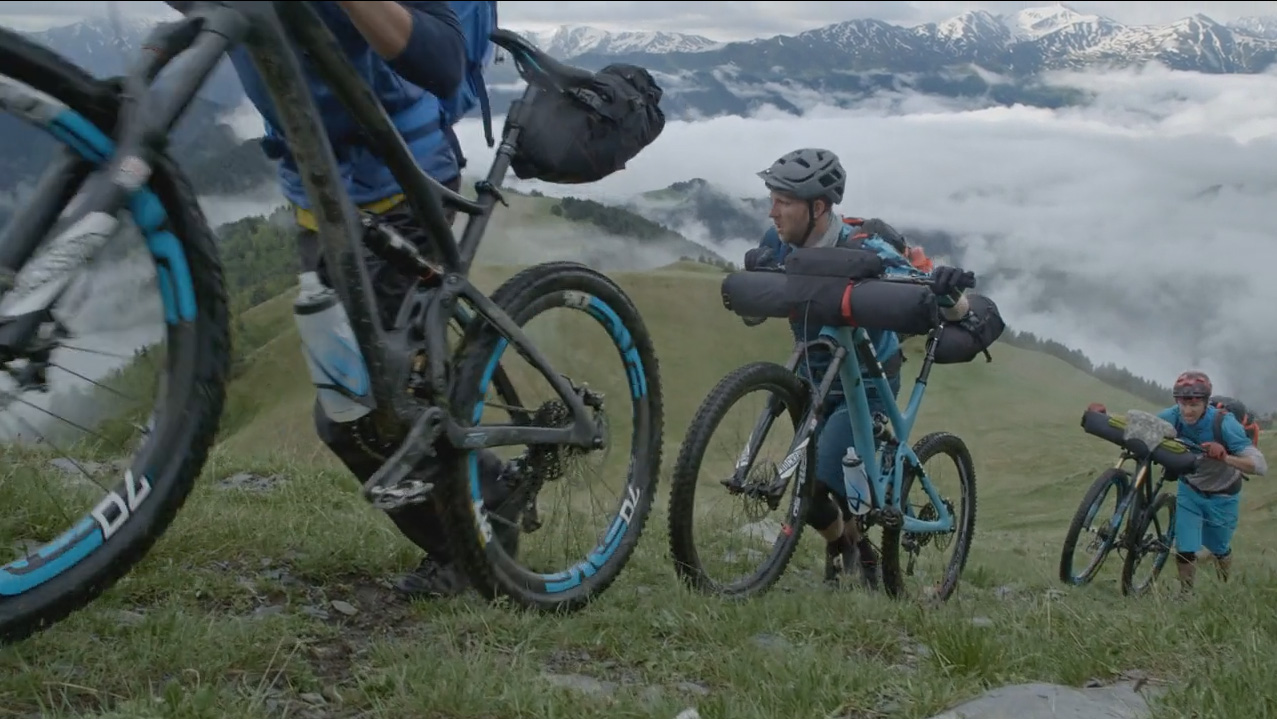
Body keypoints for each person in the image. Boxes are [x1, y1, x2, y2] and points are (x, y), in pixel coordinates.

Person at [165, 0, 514, 599]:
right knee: (359, 411)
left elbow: (444, 59)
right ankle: (484, 499)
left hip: (400, 185)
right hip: (317, 193)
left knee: (362, 416)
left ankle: (479, 542)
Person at [742, 148, 972, 589]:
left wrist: (949, 291)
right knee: (813, 495)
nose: (772, 212)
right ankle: (846, 546)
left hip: (866, 384)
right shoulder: (777, 242)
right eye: (771, 199)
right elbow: (753, 314)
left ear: (819, 207)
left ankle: (856, 538)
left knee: (820, 486)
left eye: (783, 202)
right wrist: (756, 277)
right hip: (811, 378)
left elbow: (949, 306)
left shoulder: (869, 249)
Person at [1157, 370, 1267, 591]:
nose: (1187, 411)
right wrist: (1106, 418)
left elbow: (1260, 466)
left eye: (1194, 405)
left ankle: (1223, 586)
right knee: (1185, 548)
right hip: (1190, 488)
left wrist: (1225, 456)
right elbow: (1145, 425)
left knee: (1219, 549)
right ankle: (1185, 595)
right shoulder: (1174, 415)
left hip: (1223, 495)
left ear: (1205, 403)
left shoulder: (1225, 424)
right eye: (1183, 404)